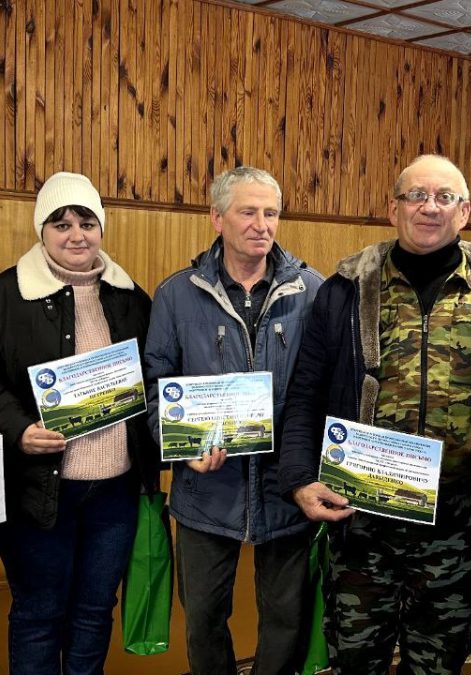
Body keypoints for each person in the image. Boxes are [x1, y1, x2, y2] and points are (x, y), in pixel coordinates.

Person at [277, 154, 471, 674]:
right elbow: (305, 394)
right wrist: (299, 477)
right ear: (393, 209)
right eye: (416, 195)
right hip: (362, 518)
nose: (429, 207)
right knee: (355, 658)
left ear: (464, 212)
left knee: (438, 661)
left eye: (444, 197)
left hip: (455, 522)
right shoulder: (345, 292)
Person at [0, 172, 159, 675]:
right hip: (37, 489)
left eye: (87, 223)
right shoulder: (0, 299)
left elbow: (156, 376)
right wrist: (19, 428)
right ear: (41, 230)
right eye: (61, 224)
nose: (76, 235)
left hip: (115, 491)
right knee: (39, 613)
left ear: (101, 228)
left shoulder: (131, 298)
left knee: (95, 609)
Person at [143, 165, 323, 675]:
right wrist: (182, 446)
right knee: (202, 619)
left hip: (287, 488)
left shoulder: (312, 290)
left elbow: (326, 387)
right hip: (205, 492)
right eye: (248, 212)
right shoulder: (176, 294)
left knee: (286, 618)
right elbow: (156, 384)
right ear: (217, 218)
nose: (261, 225)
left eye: (271, 213)